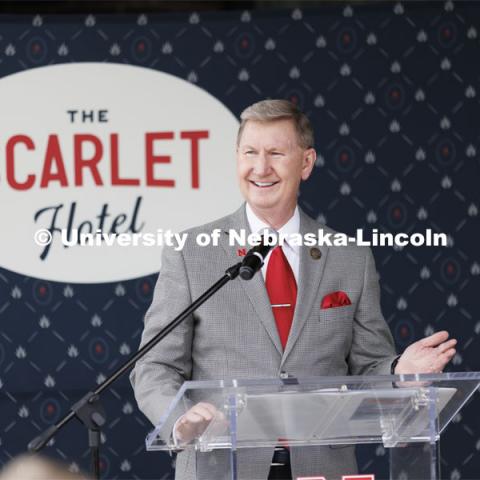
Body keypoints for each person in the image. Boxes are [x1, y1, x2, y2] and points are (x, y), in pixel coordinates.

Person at [130, 100, 456, 480]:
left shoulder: (350, 257)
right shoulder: (191, 252)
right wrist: (179, 417)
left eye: (276, 153)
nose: (261, 167)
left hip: (323, 468)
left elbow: (368, 366)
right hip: (220, 465)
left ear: (305, 162)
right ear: (237, 158)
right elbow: (154, 367)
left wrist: (400, 371)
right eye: (250, 152)